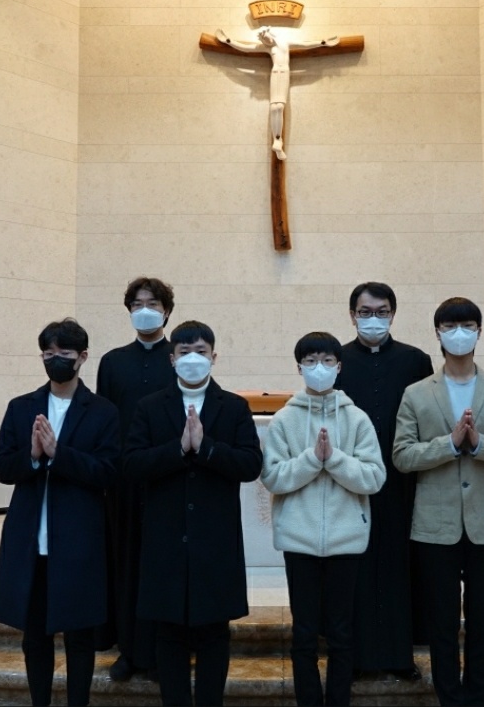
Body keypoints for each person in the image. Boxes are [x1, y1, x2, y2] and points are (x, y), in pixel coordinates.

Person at [393, 297, 484, 707]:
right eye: (450, 326)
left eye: (468, 325)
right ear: (438, 333)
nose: (459, 333)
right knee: (441, 622)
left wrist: (479, 444)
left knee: (482, 620)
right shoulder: (416, 394)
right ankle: (449, 698)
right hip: (435, 525)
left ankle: (477, 697)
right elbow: (402, 456)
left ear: (479, 332)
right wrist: (450, 444)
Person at [123, 320, 263, 706]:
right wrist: (177, 449)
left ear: (214, 357)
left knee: (215, 635)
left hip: (215, 542)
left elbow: (251, 464)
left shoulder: (234, 407)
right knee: (168, 634)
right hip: (165, 540)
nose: (193, 359)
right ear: (172, 359)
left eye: (201, 352)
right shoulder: (150, 406)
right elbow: (131, 464)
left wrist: (206, 447)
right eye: (184, 352)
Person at [0, 318, 120, 707]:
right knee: (35, 636)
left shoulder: (103, 411)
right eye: (48, 353)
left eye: (64, 353)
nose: (55, 359)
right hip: (30, 540)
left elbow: (108, 472)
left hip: (79, 540)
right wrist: (32, 456)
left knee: (79, 637)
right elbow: (1, 466)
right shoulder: (21, 407)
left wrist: (60, 454)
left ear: (82, 357)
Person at [261, 332, 387, 707]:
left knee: (341, 633)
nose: (320, 368)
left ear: (339, 366)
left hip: (346, 541)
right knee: (303, 634)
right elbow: (273, 477)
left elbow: (374, 477)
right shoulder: (284, 420)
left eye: (327, 361)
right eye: (311, 361)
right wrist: (311, 459)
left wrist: (333, 458)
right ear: (299, 367)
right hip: (298, 541)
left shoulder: (357, 419)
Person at [334, 282, 433, 681]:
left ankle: (399, 655)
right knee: (355, 569)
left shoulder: (415, 360)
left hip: (402, 481)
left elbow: (427, 416)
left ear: (393, 314)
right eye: (365, 312)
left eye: (381, 311)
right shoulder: (337, 360)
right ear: (352, 315)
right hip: (351, 479)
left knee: (399, 567)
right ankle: (357, 658)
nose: (373, 319)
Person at [95, 276, 177, 681]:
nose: (145, 310)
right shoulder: (112, 362)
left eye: (153, 304)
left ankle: (163, 653)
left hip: (166, 478)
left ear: (167, 311)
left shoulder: (179, 358)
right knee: (126, 564)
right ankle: (129, 650)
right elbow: (103, 420)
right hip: (124, 481)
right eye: (137, 304)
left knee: (162, 567)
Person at [215, 26, 339, 160]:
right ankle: (277, 141)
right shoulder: (267, 47)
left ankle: (278, 141)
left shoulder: (285, 42)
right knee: (273, 107)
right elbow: (245, 48)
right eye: (262, 39)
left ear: (271, 34)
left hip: (284, 74)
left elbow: (304, 45)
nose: (265, 41)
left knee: (280, 106)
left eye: (265, 38)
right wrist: (228, 41)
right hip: (275, 74)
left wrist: (322, 43)